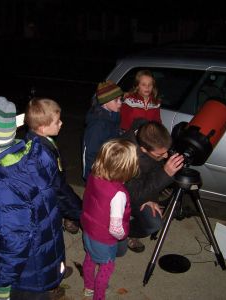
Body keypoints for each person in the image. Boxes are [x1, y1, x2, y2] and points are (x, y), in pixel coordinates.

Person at [0, 96, 66, 300]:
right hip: (43, 253)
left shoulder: (4, 183)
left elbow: (13, 240)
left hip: (27, 271)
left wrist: (2, 286)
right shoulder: (31, 154)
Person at [81, 139, 139, 300]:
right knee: (106, 269)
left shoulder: (94, 176)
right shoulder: (118, 194)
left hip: (88, 229)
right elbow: (115, 228)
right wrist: (122, 237)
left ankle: (88, 287)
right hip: (105, 239)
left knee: (90, 258)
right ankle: (98, 296)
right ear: (128, 168)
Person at [122, 119, 184, 253]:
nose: (166, 156)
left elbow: (152, 171)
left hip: (143, 188)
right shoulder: (128, 158)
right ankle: (119, 231)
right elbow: (132, 196)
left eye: (166, 151)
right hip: (125, 197)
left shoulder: (149, 134)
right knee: (153, 224)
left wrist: (152, 198)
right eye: (160, 154)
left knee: (156, 220)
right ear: (143, 149)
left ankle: (125, 229)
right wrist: (165, 174)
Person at [24, 97, 82, 234]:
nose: (61, 123)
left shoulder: (35, 139)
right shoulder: (41, 156)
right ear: (43, 128)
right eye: (57, 122)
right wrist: (78, 210)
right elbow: (58, 190)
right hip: (47, 201)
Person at [82, 80, 124, 182]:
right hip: (98, 171)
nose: (120, 103)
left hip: (109, 164)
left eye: (121, 99)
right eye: (116, 100)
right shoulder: (97, 126)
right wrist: (97, 174)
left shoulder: (113, 115)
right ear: (105, 102)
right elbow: (90, 153)